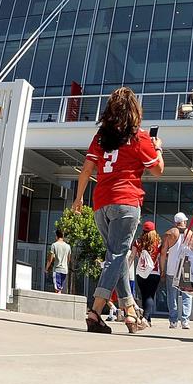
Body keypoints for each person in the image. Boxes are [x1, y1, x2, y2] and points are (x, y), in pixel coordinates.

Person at [72, 87, 164, 334]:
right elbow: (158, 170)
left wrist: (78, 198)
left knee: (118, 256)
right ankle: (95, 310)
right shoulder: (139, 137)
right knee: (116, 256)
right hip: (126, 202)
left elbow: (86, 170)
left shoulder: (101, 136)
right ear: (135, 111)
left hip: (101, 204)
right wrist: (158, 148)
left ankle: (131, 314)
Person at [160, 212, 193, 329]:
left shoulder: (169, 234)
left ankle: (173, 320)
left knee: (172, 295)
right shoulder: (191, 234)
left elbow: (162, 254)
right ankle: (185, 320)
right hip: (186, 267)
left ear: (175, 222)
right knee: (187, 294)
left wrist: (162, 270)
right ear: (184, 222)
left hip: (172, 268)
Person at [130, 222, 162, 326]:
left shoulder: (137, 242)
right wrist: (163, 270)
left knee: (144, 295)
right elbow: (161, 258)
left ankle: (148, 319)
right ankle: (145, 319)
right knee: (150, 296)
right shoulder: (158, 243)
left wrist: (126, 269)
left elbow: (132, 257)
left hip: (141, 272)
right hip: (154, 272)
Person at [46, 229, 71, 294]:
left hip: (57, 270)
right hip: (65, 270)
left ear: (56, 236)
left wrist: (46, 268)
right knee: (60, 288)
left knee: (57, 290)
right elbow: (68, 259)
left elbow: (50, 259)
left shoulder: (54, 245)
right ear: (63, 236)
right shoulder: (68, 246)